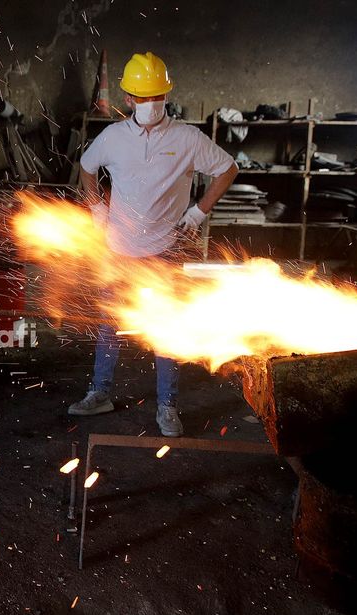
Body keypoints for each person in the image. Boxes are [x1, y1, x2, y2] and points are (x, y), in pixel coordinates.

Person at [68, 52, 238, 436]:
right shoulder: (113, 138)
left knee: (164, 327)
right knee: (109, 324)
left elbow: (228, 169)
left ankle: (167, 406)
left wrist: (198, 212)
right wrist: (96, 209)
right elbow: (87, 167)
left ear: (167, 95)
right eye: (142, 98)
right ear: (128, 99)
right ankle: (100, 393)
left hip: (165, 250)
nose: (150, 104)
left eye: (157, 96)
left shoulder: (188, 139)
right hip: (118, 247)